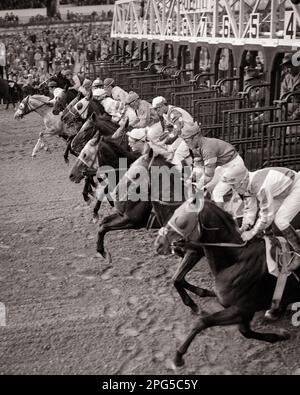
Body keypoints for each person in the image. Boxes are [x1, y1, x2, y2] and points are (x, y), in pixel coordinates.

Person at [222, 165, 300, 318]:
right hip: (280, 192)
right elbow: (250, 209)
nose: (232, 188)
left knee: (280, 219)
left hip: (296, 187)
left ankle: (298, 253)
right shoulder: (246, 185)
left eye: (233, 185)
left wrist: (251, 233)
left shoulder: (260, 185)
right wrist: (245, 226)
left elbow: (265, 216)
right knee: (268, 225)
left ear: (242, 180)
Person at [180, 123, 246, 205]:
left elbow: (208, 176)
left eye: (187, 140)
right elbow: (198, 168)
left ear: (196, 137)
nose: (186, 143)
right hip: (224, 167)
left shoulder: (208, 149)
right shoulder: (196, 147)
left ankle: (220, 216)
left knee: (217, 193)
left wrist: (196, 186)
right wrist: (190, 179)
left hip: (234, 167)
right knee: (206, 187)